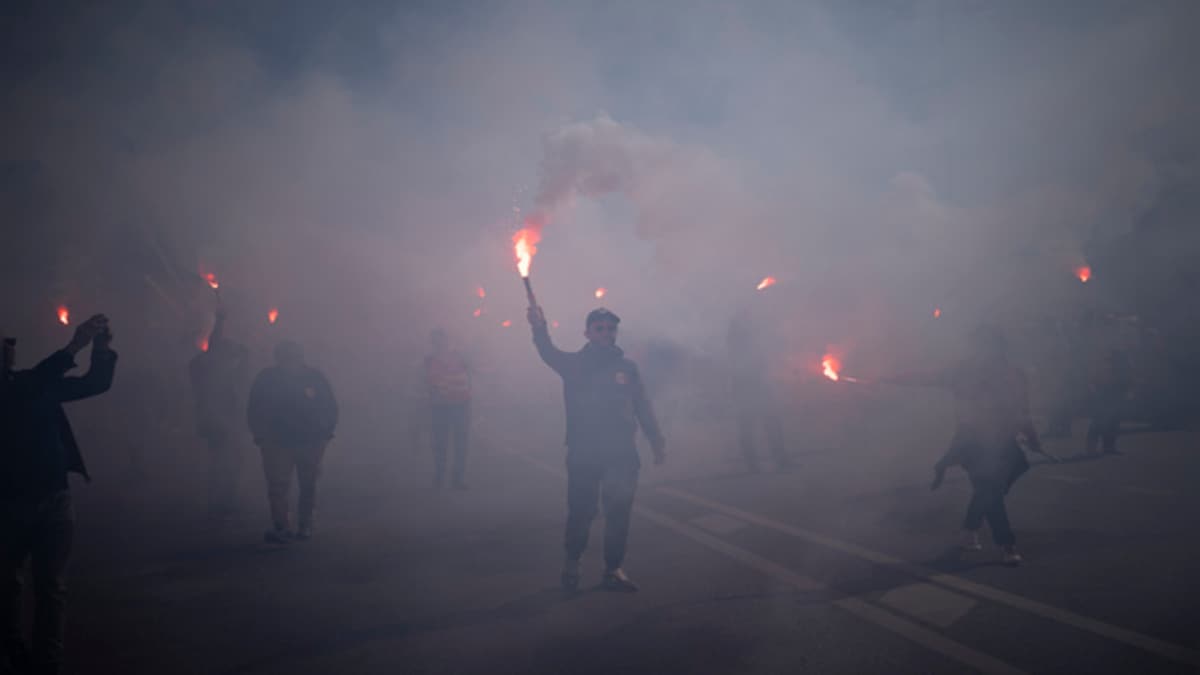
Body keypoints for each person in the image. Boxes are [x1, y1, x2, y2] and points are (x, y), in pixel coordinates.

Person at [1, 314, 117, 675]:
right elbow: (33, 383)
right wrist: (75, 344)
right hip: (9, 503)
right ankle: (13, 653)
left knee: (51, 587)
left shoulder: (35, 383)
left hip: (55, 498)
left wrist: (100, 348)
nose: (9, 348)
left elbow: (95, 384)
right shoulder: (23, 386)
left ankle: (46, 662)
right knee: (8, 585)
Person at [527, 304, 666, 592]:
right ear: (587, 333)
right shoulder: (574, 364)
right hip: (584, 453)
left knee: (619, 511)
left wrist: (656, 439)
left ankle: (613, 570)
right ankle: (572, 563)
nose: (606, 333)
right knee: (582, 511)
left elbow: (641, 405)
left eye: (610, 328)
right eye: (599, 328)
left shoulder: (627, 368)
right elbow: (547, 351)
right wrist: (538, 326)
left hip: (621, 453)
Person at [884, 324, 1041, 566]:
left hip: (1003, 443)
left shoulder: (1013, 375)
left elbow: (1022, 411)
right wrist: (889, 379)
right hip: (973, 442)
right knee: (991, 492)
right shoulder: (965, 372)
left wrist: (1032, 437)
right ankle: (1006, 545)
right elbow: (926, 377)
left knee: (996, 486)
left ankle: (969, 531)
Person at [247, 340, 338, 544]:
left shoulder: (313, 378)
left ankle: (305, 524)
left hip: (310, 441)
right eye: (285, 357)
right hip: (277, 442)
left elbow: (329, 406)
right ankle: (282, 526)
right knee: (278, 485)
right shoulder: (267, 379)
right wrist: (260, 434)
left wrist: (325, 432)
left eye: (293, 357)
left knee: (308, 484)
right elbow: (255, 407)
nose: (289, 362)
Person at [188, 309, 249, 517]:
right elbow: (215, 348)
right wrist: (220, 321)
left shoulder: (205, 367)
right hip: (219, 422)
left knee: (224, 461)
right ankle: (223, 501)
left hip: (219, 421)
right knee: (226, 462)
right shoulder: (210, 369)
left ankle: (222, 499)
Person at [726, 309, 792, 473]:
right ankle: (753, 464)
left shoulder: (750, 335)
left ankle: (779, 459)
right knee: (748, 424)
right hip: (744, 384)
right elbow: (740, 362)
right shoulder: (738, 336)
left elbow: (760, 356)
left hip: (758, 382)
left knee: (771, 420)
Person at [424, 329, 472, 489]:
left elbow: (468, 378)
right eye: (439, 340)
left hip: (460, 406)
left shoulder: (460, 357)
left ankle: (457, 478)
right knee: (440, 444)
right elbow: (428, 383)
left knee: (460, 444)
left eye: (445, 340)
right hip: (440, 408)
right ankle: (439, 477)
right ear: (435, 343)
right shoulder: (430, 360)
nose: (443, 343)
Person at [1085, 349, 1134, 455]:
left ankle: (1106, 447)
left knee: (1111, 423)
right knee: (1101, 422)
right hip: (1107, 397)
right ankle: (1095, 447)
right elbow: (1096, 382)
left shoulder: (1120, 369)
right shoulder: (1109, 369)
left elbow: (1127, 383)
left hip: (1113, 398)